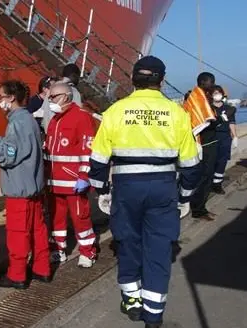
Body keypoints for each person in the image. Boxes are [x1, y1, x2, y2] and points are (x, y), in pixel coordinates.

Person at [89, 56, 200, 328]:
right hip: (163, 187)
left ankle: (132, 300)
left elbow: (98, 159)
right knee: (160, 248)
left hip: (127, 187)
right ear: (161, 81)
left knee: (127, 242)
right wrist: (185, 196)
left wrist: (102, 189)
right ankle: (154, 313)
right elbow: (190, 164)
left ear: (133, 79)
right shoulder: (177, 113)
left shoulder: (116, 110)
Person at [0, 80, 51, 289]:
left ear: (11, 98)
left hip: (20, 190)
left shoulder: (17, 122)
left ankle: (17, 275)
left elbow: (9, 155)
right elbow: (19, 148)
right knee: (38, 231)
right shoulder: (28, 119)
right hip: (33, 188)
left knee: (18, 234)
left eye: (1, 97)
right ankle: (41, 269)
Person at [44, 82, 97, 268]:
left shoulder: (82, 118)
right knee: (56, 219)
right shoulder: (54, 120)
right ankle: (58, 250)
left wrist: (84, 176)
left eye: (52, 97)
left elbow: (88, 150)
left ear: (65, 97)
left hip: (73, 181)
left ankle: (88, 252)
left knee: (80, 218)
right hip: (54, 181)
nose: (49, 100)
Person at [184, 72, 218, 221]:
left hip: (211, 143)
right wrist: (216, 121)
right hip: (204, 144)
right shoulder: (197, 98)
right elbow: (203, 122)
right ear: (204, 82)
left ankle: (200, 206)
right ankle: (198, 209)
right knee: (204, 177)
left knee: (207, 176)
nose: (213, 85)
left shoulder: (204, 97)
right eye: (211, 82)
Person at [210, 85, 238, 194]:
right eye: (215, 93)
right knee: (212, 161)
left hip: (225, 137)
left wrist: (234, 136)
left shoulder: (228, 109)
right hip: (212, 137)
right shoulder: (209, 108)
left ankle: (217, 184)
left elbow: (231, 122)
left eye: (219, 93)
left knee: (222, 161)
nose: (217, 95)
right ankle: (209, 183)